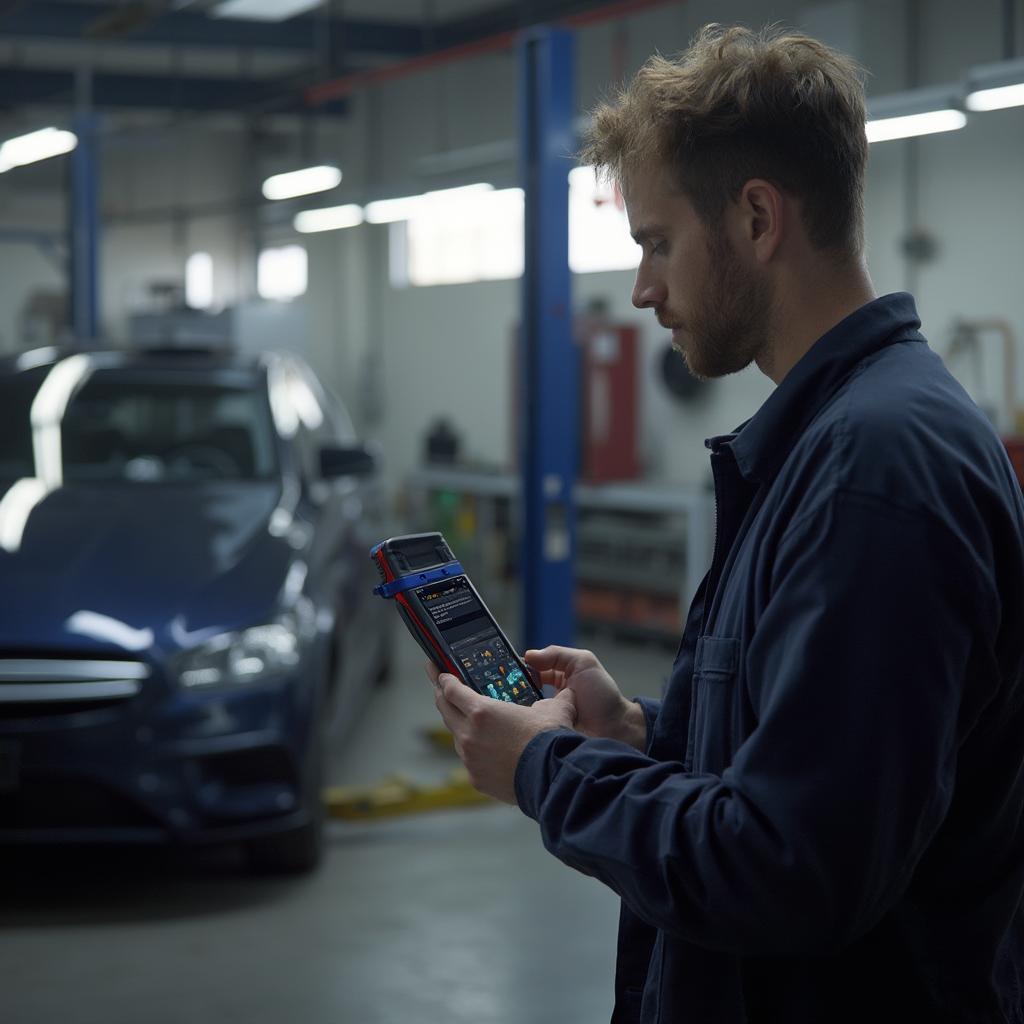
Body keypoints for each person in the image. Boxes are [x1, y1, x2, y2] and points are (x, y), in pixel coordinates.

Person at [429, 23, 1024, 1023]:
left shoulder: (873, 469)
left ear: (755, 219)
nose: (642, 289)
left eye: (657, 242)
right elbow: (818, 765)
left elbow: (792, 867)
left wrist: (547, 768)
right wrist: (639, 735)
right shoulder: (834, 438)